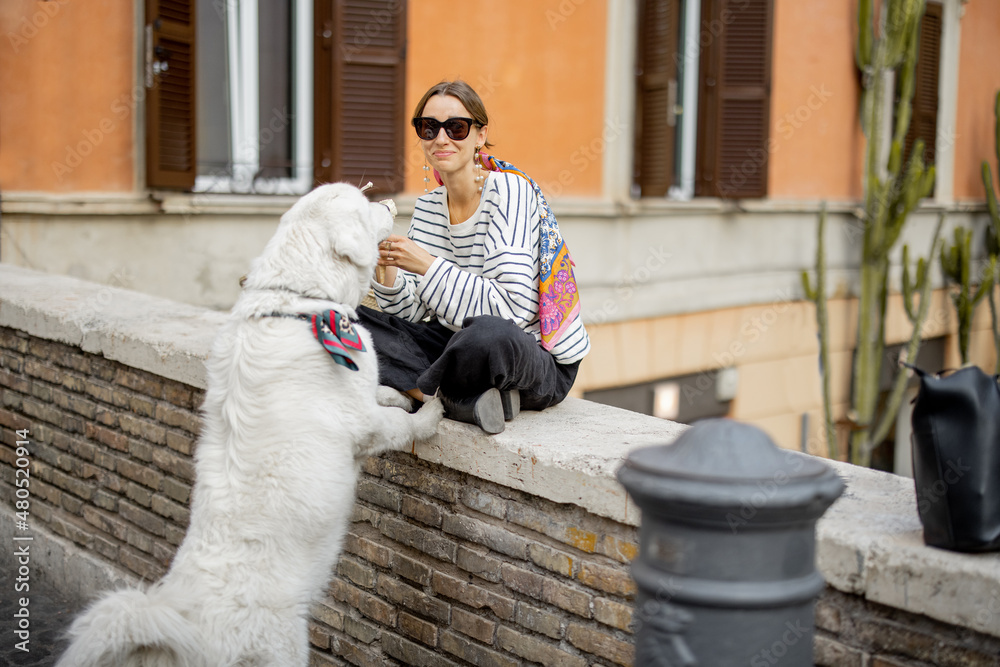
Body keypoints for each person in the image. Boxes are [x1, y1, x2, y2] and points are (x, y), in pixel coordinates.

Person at [358, 80, 590, 434]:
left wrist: (427, 265)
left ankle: (422, 391)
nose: (441, 138)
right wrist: (387, 271)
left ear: (480, 134)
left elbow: (511, 311)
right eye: (428, 127)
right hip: (454, 343)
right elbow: (416, 314)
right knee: (341, 320)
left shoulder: (510, 192)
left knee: (487, 335)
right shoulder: (429, 206)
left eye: (456, 127)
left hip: (528, 354)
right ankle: (458, 399)